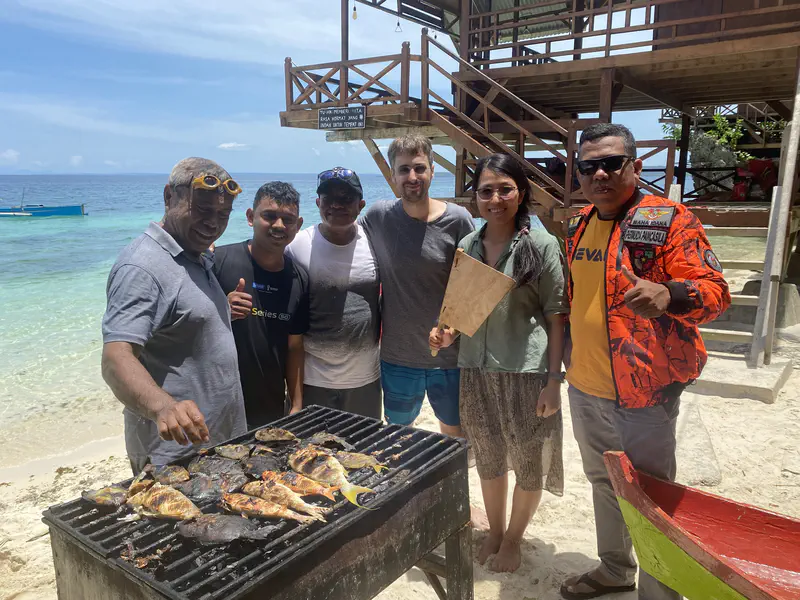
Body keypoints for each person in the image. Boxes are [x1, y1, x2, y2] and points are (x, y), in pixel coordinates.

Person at [560, 123, 731, 600]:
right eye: (589, 165)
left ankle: (660, 594)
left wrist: (671, 293)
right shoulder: (579, 225)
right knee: (602, 483)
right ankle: (615, 570)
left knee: (652, 500)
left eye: (612, 163)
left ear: (634, 166)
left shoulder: (672, 219)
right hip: (585, 387)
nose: (600, 174)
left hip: (646, 393)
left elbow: (717, 293)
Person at [430, 154, 567, 573]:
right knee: (488, 455)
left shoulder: (541, 245)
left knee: (528, 460)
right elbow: (459, 315)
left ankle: (513, 538)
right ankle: (494, 530)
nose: (495, 198)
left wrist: (553, 381)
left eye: (504, 189)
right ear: (475, 197)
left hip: (525, 372)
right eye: (486, 190)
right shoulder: (468, 246)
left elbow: (556, 317)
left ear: (521, 193)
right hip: (473, 369)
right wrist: (443, 332)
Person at [101, 157, 247, 473]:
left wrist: (221, 311)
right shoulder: (143, 267)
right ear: (169, 197)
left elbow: (179, 321)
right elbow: (116, 358)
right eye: (203, 210)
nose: (214, 223)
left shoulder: (193, 254)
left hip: (216, 445)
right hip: (175, 458)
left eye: (223, 214)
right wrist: (163, 407)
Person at [360, 134, 475, 436]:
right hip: (397, 356)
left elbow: (474, 286)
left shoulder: (458, 219)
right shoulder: (377, 216)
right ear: (393, 175)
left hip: (449, 357)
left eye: (420, 168)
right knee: (398, 437)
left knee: (453, 437)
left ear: (432, 171)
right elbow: (340, 239)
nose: (412, 177)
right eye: (404, 169)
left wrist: (455, 331)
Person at [212, 182, 309, 429]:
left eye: (287, 219)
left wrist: (296, 405)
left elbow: (295, 346)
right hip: (215, 405)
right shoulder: (216, 261)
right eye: (269, 216)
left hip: (269, 406)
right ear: (250, 217)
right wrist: (221, 310)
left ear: (297, 226)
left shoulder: (299, 278)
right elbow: (184, 325)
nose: (278, 226)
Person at [286, 167, 381, 418]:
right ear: (318, 202)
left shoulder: (374, 242)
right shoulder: (297, 246)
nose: (337, 205)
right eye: (329, 198)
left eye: (346, 198)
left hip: (366, 378)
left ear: (360, 205)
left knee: (366, 453)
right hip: (313, 380)